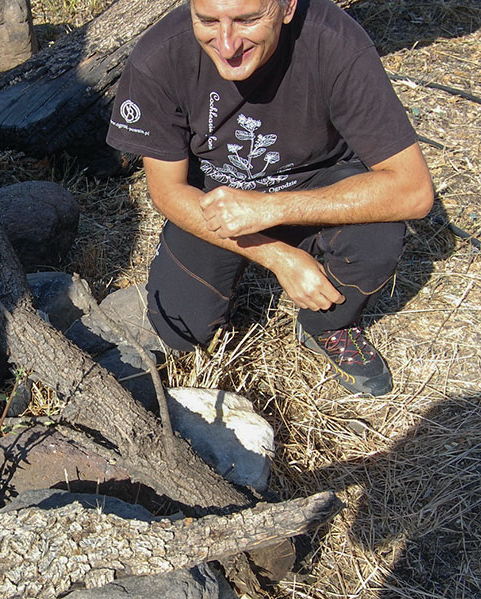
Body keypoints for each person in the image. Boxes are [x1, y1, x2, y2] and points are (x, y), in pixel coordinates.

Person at [106, 0, 433, 396]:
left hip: (317, 177)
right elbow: (168, 192)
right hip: (216, 194)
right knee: (180, 328)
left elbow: (414, 191)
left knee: (376, 238)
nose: (226, 45)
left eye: (247, 20)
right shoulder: (160, 56)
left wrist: (271, 208)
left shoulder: (337, 43)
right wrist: (277, 256)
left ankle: (327, 325)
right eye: (208, 20)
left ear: (288, 6)